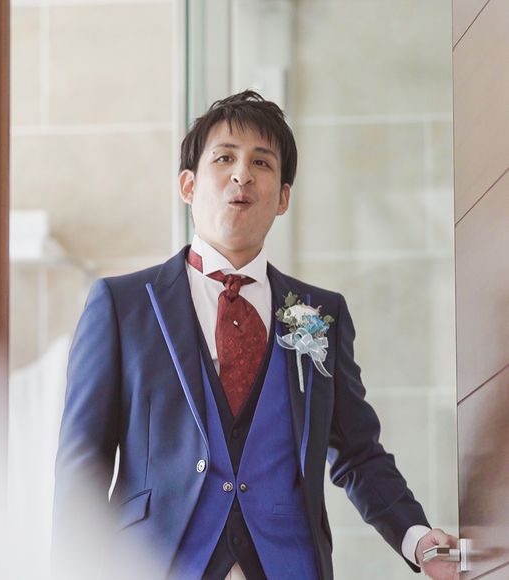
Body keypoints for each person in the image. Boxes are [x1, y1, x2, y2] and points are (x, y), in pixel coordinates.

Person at [52, 90, 459, 580]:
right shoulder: (122, 305)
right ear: (188, 184)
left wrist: (416, 537)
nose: (242, 175)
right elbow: (83, 465)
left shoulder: (319, 314)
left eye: (261, 163)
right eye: (224, 158)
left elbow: (357, 452)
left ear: (283, 197)